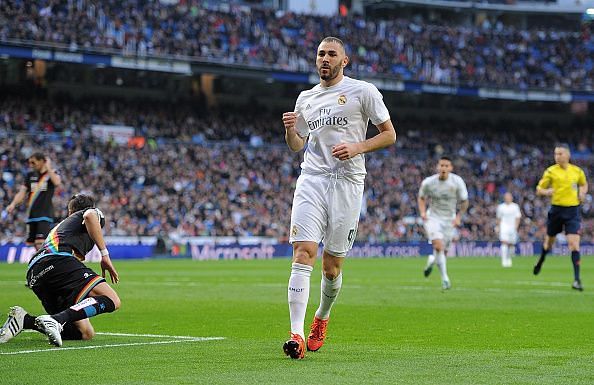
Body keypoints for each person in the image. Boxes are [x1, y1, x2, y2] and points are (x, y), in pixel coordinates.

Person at [281, 36, 396, 359]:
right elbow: (297, 145)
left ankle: (322, 316)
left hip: (347, 182)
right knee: (303, 253)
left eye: (332, 54)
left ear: (344, 61)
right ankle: (297, 334)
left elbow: (389, 134)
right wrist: (290, 130)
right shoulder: (305, 98)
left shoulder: (363, 91)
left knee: (331, 268)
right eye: (320, 54)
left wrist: (358, 147)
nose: (325, 59)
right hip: (312, 180)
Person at [0, 194, 120, 347]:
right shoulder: (90, 212)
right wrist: (104, 254)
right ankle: (57, 319)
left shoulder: (63, 227)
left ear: (70, 211)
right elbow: (90, 215)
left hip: (35, 272)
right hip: (57, 261)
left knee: (84, 333)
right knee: (112, 300)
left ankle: (25, 320)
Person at [533, 144, 588, 291]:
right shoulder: (550, 171)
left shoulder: (577, 171)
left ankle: (577, 280)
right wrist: (547, 192)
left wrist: (582, 193)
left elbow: (583, 184)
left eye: (560, 154)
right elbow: (539, 189)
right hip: (556, 211)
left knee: (574, 244)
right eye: (555, 154)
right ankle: (541, 260)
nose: (557, 156)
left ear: (568, 155)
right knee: (549, 243)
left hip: (572, 211)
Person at [418, 156, 469, 290]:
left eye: (447, 166)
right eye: (441, 165)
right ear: (437, 167)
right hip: (433, 218)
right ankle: (445, 279)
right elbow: (421, 197)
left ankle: (431, 261)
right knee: (439, 246)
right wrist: (423, 212)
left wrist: (459, 217)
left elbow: (465, 201)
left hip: (449, 219)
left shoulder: (457, 182)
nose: (444, 168)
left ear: (451, 168)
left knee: (443, 252)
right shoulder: (429, 182)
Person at [5, 152, 62, 250]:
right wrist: (13, 204)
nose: (31, 165)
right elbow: (22, 192)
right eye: (30, 163)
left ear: (41, 161)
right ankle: (39, 263)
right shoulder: (30, 175)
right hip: (31, 214)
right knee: (34, 243)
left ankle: (45, 262)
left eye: (33, 162)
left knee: (41, 241)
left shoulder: (51, 174)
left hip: (45, 214)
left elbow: (57, 182)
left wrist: (48, 167)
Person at [496, 192, 522, 267]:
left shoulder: (515, 206)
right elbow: (498, 218)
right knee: (504, 242)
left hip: (512, 227)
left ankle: (509, 258)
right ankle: (504, 260)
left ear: (511, 198)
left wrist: (516, 227)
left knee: (511, 244)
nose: (507, 198)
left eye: (509, 197)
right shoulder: (501, 207)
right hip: (504, 226)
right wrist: (498, 227)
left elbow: (518, 217)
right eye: (506, 197)